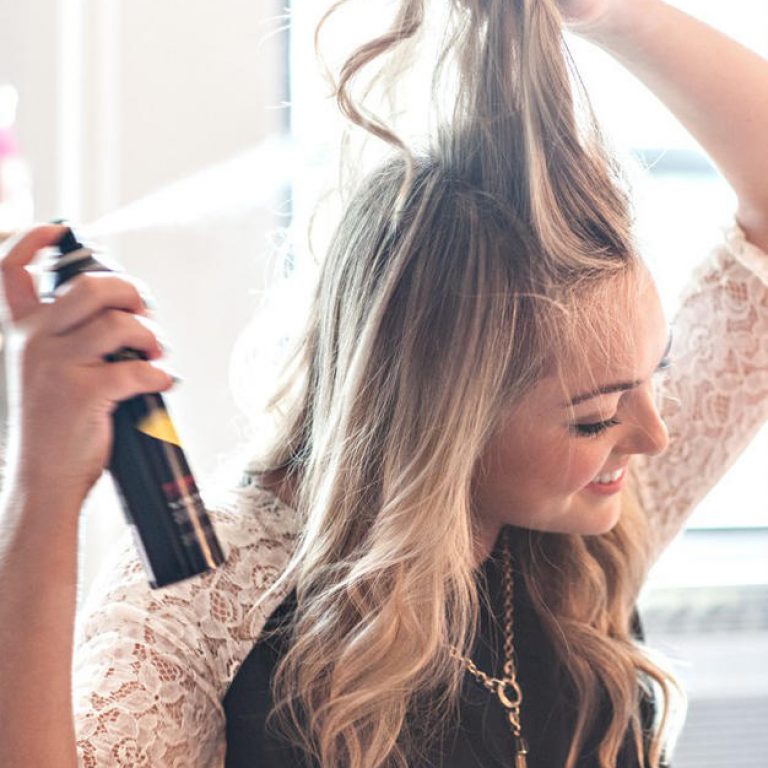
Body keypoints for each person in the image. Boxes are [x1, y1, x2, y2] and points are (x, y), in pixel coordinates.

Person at [1, 0, 768, 766]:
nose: (654, 435)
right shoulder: (219, 587)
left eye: (654, 376)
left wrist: (612, 13)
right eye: (594, 418)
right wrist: (43, 490)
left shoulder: (581, 538)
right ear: (445, 423)